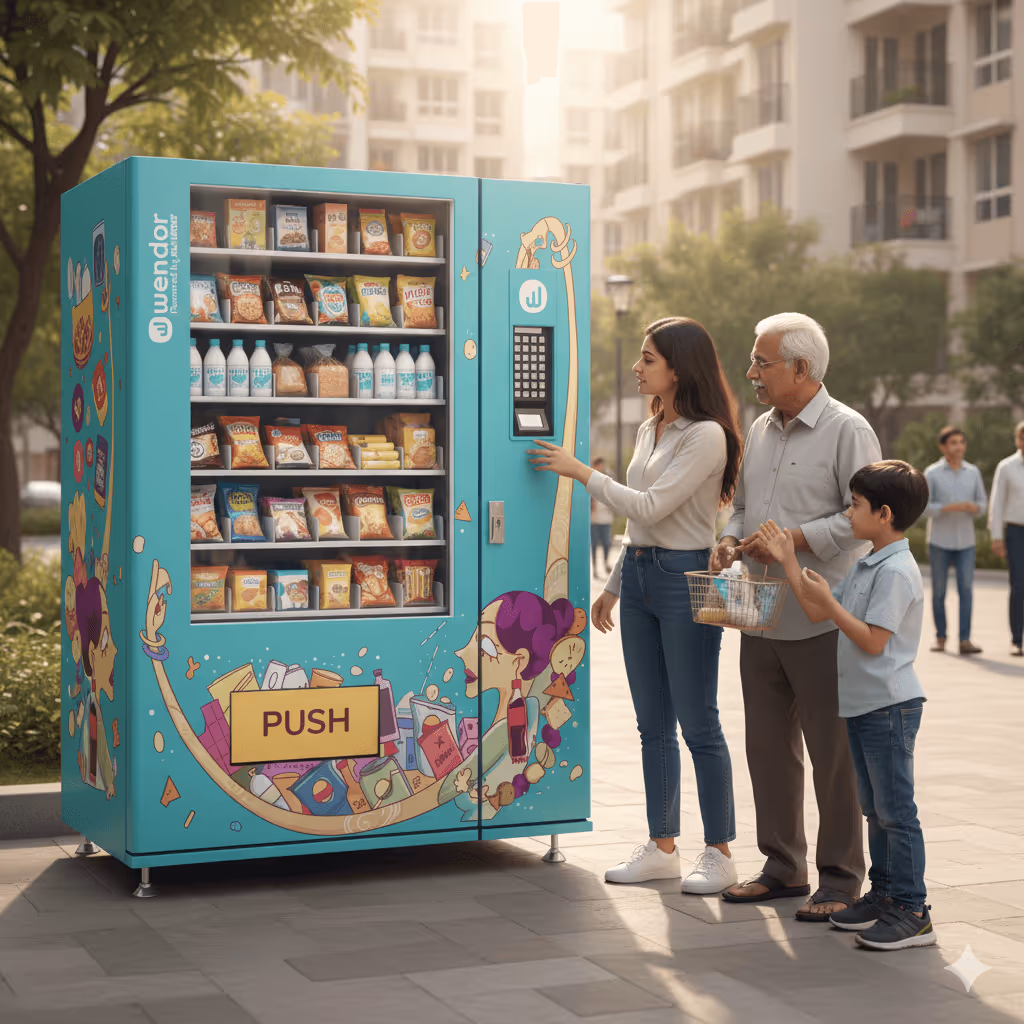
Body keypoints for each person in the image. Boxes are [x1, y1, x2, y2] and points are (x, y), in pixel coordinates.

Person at [528, 317, 744, 895]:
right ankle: (662, 845)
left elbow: (651, 505)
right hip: (644, 575)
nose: (637, 366)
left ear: (678, 368)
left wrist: (581, 474)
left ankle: (720, 852)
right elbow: (637, 526)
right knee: (652, 723)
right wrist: (615, 585)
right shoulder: (653, 428)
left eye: (647, 358)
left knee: (699, 722)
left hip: (685, 577)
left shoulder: (707, 436)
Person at [712, 312, 881, 921]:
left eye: (762, 362)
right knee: (766, 747)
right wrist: (730, 539)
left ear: (801, 369)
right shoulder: (760, 428)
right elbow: (746, 507)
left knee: (832, 753)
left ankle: (840, 879)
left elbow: (861, 522)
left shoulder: (848, 430)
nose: (751, 372)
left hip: (819, 616)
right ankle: (783, 867)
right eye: (754, 361)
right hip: (760, 615)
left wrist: (794, 542)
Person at [755, 459, 936, 951]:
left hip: (889, 707)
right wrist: (788, 558)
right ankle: (883, 897)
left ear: (884, 513)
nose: (848, 513)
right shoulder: (868, 563)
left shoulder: (896, 571)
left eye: (854, 506)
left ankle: (913, 909)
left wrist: (832, 605)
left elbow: (873, 641)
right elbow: (817, 608)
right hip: (862, 706)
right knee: (874, 811)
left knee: (896, 812)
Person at [923, 426, 987, 655]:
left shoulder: (973, 472)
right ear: (943, 447)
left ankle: (965, 640)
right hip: (939, 541)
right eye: (953, 443)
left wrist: (973, 508)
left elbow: (983, 505)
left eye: (961, 442)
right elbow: (924, 508)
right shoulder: (932, 473)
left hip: (966, 542)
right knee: (939, 591)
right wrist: (949, 507)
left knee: (966, 590)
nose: (958, 447)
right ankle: (940, 638)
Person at [989, 420, 1024, 656]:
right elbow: (997, 503)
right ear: (1018, 440)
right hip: (1015, 531)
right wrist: (997, 536)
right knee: (1019, 585)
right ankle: (1017, 639)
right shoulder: (1007, 466)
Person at [590, 457, 615, 578]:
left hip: (605, 519)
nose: (601, 468)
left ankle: (605, 563)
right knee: (594, 545)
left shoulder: (606, 479)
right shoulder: (589, 480)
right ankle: (594, 568)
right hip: (594, 520)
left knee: (606, 543)